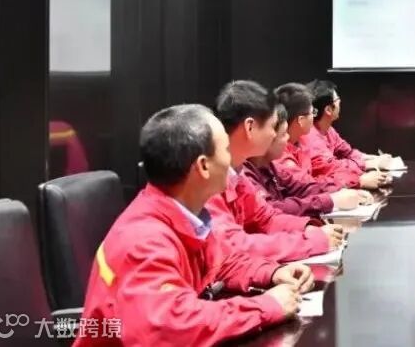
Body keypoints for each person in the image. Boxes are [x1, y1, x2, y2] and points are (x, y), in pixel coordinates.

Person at [75, 105, 313, 346]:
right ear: (203, 166)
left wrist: (271, 273)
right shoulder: (143, 239)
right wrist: (265, 306)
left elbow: (222, 262)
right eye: (226, 150)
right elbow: (171, 327)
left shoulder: (184, 214)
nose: (231, 159)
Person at [207, 80, 344, 263]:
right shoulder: (211, 182)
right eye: (273, 127)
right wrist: (310, 241)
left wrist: (307, 228)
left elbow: (267, 217)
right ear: (249, 127)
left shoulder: (237, 174)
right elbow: (236, 246)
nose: (275, 134)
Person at [242, 102, 373, 216]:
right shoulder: (245, 173)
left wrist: (343, 189)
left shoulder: (269, 164)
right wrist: (334, 199)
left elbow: (302, 187)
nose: (287, 138)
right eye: (283, 134)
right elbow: (270, 212)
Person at [278, 82, 390, 191]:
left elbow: (313, 182)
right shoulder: (290, 151)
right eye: (313, 112)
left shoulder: (298, 145)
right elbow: (309, 186)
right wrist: (358, 179)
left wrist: (373, 161)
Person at [303, 79, 394, 178]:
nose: (340, 101)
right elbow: (330, 168)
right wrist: (369, 164)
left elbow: (347, 152)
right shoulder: (310, 136)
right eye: (337, 99)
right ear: (328, 110)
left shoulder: (328, 129)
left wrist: (374, 158)